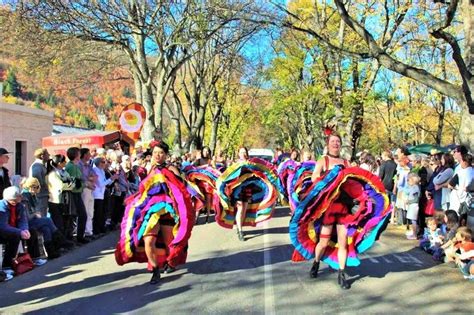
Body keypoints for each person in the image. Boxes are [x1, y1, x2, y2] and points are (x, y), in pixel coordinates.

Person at [115, 140, 195, 285]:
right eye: (155, 153)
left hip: (167, 211)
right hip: (150, 210)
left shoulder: (172, 169)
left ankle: (170, 262)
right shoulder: (150, 169)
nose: (157, 155)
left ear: (166, 155)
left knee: (170, 242)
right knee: (148, 239)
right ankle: (155, 270)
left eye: (161, 153)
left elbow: (181, 190)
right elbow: (144, 189)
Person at [309, 134, 352, 289]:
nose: (335, 143)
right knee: (324, 242)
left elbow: (354, 181)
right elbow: (314, 177)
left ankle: (342, 273)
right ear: (328, 144)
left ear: (341, 145)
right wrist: (327, 180)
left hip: (343, 207)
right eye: (333, 141)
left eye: (338, 141)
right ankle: (316, 263)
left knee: (343, 242)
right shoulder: (323, 160)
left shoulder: (346, 162)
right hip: (328, 209)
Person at [21, 177, 73, 259]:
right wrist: (35, 214)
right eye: (37, 187)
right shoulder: (25, 198)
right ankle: (61, 241)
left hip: (33, 220)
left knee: (46, 229)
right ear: (31, 187)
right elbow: (27, 217)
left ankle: (51, 252)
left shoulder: (32, 197)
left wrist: (36, 214)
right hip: (26, 224)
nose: (38, 189)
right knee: (48, 220)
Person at [0, 186, 30, 273]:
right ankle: (7, 266)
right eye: (12, 200)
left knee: (32, 232)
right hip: (3, 231)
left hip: (15, 229)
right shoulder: (1, 206)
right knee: (14, 237)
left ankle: (33, 258)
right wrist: (20, 232)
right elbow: (3, 226)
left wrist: (25, 229)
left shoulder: (20, 205)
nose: (14, 201)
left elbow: (23, 220)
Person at [46, 154, 75, 239]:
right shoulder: (52, 174)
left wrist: (70, 184)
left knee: (66, 220)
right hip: (55, 201)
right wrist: (69, 184)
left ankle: (65, 239)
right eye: (64, 161)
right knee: (58, 222)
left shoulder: (64, 172)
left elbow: (72, 183)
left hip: (65, 200)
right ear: (59, 163)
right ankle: (58, 242)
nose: (65, 162)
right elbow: (61, 186)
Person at [65, 147, 89, 244]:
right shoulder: (71, 167)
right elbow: (76, 183)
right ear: (76, 155)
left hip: (76, 192)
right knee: (80, 215)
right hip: (74, 193)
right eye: (79, 153)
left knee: (77, 215)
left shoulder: (73, 166)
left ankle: (77, 236)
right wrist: (85, 184)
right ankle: (78, 236)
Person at [92, 157, 118, 235]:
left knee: (102, 212)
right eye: (103, 162)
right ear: (99, 163)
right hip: (96, 194)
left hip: (101, 194)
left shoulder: (102, 171)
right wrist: (111, 179)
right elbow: (100, 184)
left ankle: (100, 228)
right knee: (97, 213)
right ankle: (96, 230)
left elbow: (106, 183)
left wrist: (112, 179)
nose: (105, 163)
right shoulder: (95, 170)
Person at [29, 148, 50, 217]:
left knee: (43, 213)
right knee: (41, 214)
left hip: (42, 194)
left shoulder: (40, 165)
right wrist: (46, 185)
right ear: (42, 156)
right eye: (47, 154)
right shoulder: (37, 166)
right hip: (40, 195)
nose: (49, 155)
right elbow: (37, 180)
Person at [378, 150, 397, 223]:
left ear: (385, 156)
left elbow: (380, 176)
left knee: (385, 201)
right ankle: (392, 217)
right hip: (393, 185)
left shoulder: (383, 164)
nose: (382, 157)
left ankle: (383, 216)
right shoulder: (395, 164)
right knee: (393, 202)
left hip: (384, 184)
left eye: (382, 156)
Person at [404, 173, 421, 240]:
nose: (408, 181)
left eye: (409, 180)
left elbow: (416, 199)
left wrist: (409, 201)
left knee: (414, 220)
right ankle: (414, 233)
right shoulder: (414, 187)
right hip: (412, 205)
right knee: (413, 220)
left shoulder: (416, 188)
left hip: (414, 205)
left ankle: (415, 234)